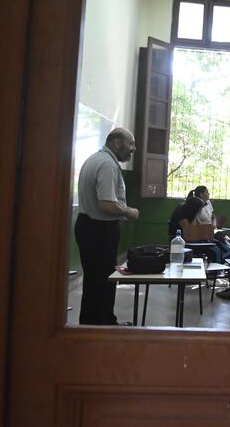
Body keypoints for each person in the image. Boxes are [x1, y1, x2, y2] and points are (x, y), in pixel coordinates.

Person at [74, 127, 139, 325]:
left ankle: (93, 323)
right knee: (103, 282)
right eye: (130, 144)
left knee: (94, 281)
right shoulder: (108, 165)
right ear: (117, 143)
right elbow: (106, 204)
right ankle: (103, 325)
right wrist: (129, 211)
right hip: (100, 230)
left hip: (88, 226)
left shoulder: (94, 159)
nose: (133, 149)